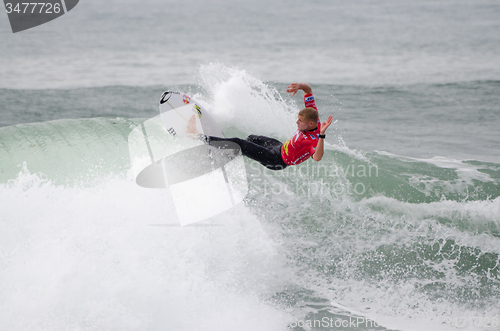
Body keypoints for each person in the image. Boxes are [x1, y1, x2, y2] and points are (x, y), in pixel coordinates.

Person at [203, 83, 334, 170]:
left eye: (300, 121)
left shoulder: (313, 140)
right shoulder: (312, 115)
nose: (297, 123)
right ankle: (226, 157)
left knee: (240, 143)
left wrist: (322, 135)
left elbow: (317, 157)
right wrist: (300, 86)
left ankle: (203, 139)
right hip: (279, 147)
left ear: (310, 124)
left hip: (276, 160)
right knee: (251, 138)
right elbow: (308, 90)